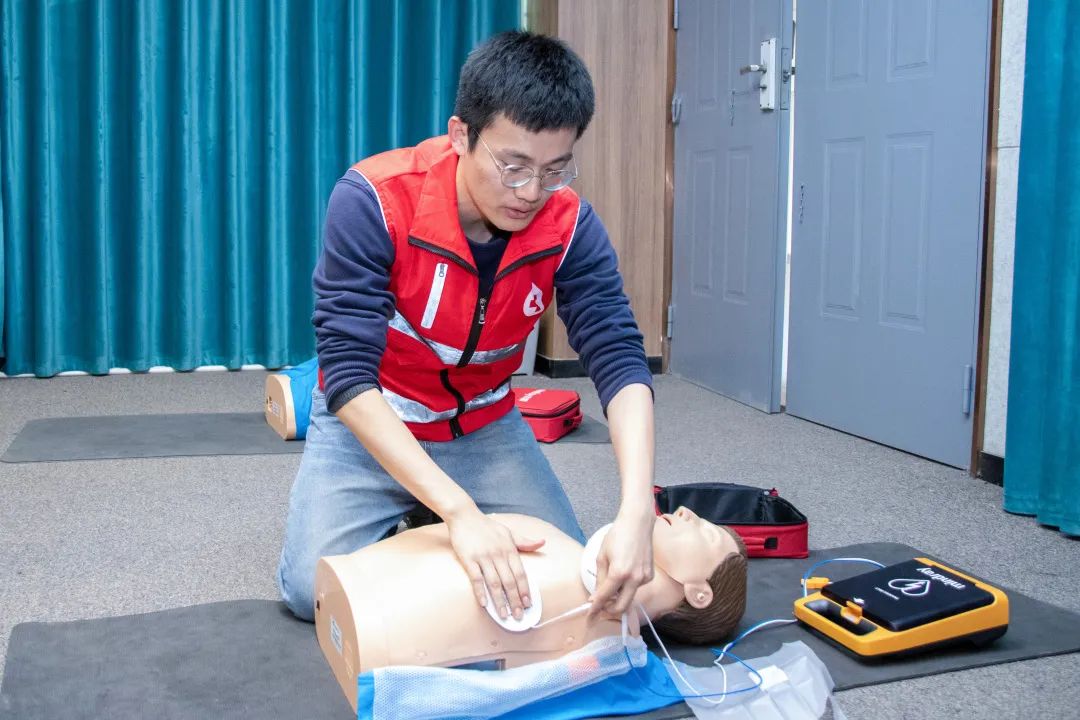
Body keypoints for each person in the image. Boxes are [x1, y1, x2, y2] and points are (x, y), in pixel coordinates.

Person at [277, 30, 658, 624]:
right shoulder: (375, 199)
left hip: (483, 425)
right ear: (461, 135)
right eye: (513, 167)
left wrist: (638, 509)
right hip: (373, 421)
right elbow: (349, 375)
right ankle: (431, 508)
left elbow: (617, 353)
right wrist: (459, 514)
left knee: (564, 576)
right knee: (310, 591)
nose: (531, 193)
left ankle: (427, 514)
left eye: (554, 170)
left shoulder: (569, 225)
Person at [314, 507, 748, 712]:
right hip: (358, 585)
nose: (687, 512)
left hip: (369, 623)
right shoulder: (566, 548)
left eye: (706, 534)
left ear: (700, 594)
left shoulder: (603, 633)